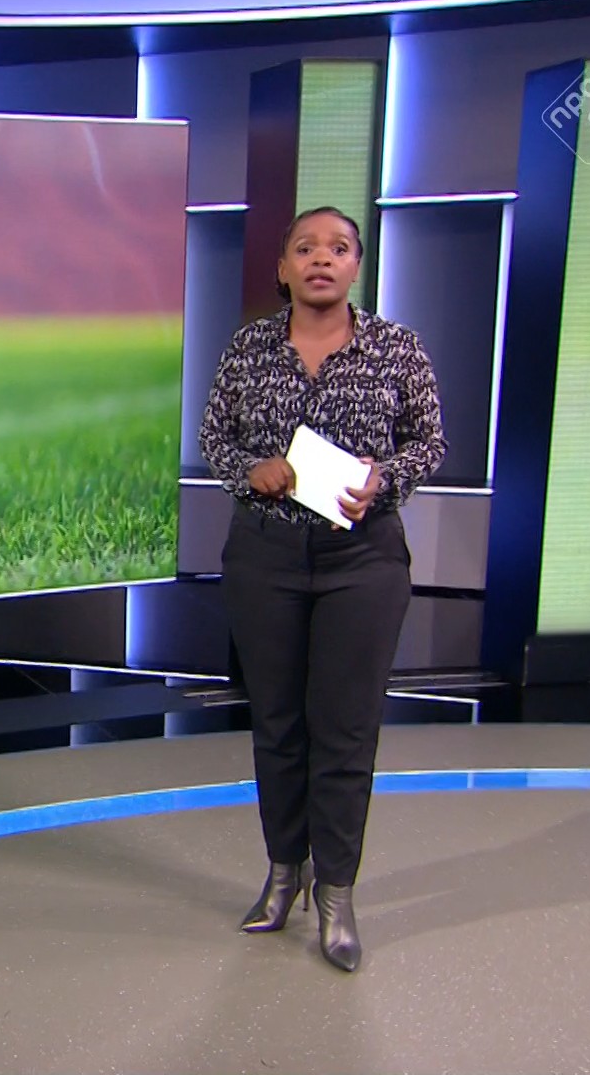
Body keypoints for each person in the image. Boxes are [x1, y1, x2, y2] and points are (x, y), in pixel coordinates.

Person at [197, 205, 446, 972]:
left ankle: (336, 892)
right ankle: (283, 873)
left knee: (344, 729)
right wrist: (250, 469)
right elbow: (214, 436)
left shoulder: (396, 349)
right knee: (277, 725)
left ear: (356, 266)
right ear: (283, 268)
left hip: (361, 561)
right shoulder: (249, 349)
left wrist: (384, 478)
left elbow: (429, 442)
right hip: (266, 557)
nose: (321, 259)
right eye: (305, 247)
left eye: (338, 248)